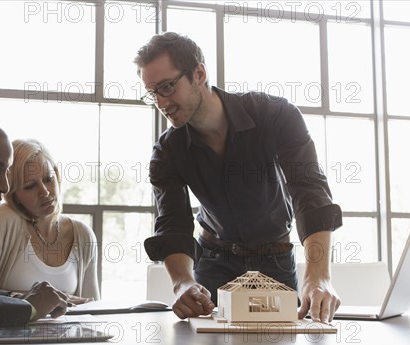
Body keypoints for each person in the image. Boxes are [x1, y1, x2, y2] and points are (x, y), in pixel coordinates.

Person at [135, 32, 343, 323]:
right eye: (152, 93)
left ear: (199, 73)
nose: (161, 102)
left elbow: (309, 192)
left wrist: (318, 277)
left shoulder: (276, 115)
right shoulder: (167, 152)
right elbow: (172, 223)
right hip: (213, 263)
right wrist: (182, 282)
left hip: (276, 260)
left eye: (167, 87)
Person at [0, 114, 70, 326]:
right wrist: (30, 305)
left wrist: (19, 298)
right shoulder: (1, 218)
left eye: (48, 179)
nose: (4, 187)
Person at [0, 139, 100, 303]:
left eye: (48, 179)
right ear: (13, 194)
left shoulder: (82, 234)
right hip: (11, 328)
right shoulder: (4, 219)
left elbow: (92, 307)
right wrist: (30, 299)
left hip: (71, 329)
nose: (44, 192)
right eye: (30, 186)